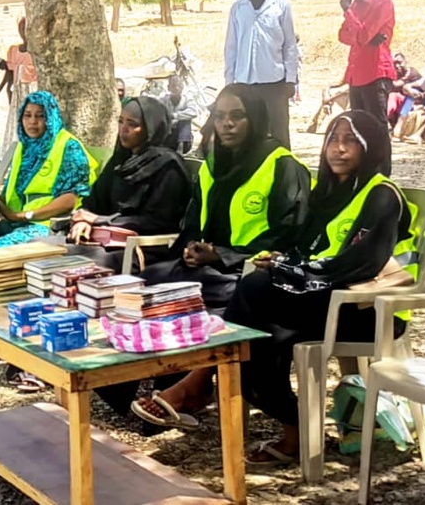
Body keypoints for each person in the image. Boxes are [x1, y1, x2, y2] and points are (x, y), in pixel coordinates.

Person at [132, 111, 416, 467]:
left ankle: (209, 386)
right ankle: (277, 418)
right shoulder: (328, 192)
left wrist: (293, 271)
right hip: (323, 300)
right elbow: (305, 249)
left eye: (350, 141)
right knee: (258, 324)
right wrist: (284, 261)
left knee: (256, 299)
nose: (338, 149)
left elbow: (363, 263)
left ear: (371, 147)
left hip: (368, 311)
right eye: (333, 139)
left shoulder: (382, 196)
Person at [94, 85, 311, 417]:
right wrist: (192, 249)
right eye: (220, 116)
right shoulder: (214, 164)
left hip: (249, 272)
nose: (227, 124)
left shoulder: (281, 166)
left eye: (237, 116)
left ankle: (185, 391)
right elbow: (194, 222)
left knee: (189, 298)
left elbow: (288, 237)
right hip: (208, 267)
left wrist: (221, 255)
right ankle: (121, 385)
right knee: (144, 286)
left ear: (255, 118)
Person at [0, 91, 94, 252]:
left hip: (48, 226)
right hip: (16, 222)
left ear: (51, 118)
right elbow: (12, 191)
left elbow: (69, 201)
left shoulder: (69, 147)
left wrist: (24, 215)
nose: (32, 122)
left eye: (40, 116)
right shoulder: (24, 146)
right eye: (27, 115)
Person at [65, 97, 191, 271]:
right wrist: (83, 222)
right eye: (121, 121)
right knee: (47, 247)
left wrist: (101, 221)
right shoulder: (120, 160)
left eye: (132, 124)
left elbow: (157, 222)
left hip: (144, 248)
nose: (123, 129)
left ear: (151, 128)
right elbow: (94, 202)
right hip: (103, 239)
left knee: (81, 260)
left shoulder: (168, 166)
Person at [224, 0, 298, 148]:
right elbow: (231, 47)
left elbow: (290, 44)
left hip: (275, 83)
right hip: (244, 83)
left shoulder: (281, 5)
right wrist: (230, 83)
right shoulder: (238, 8)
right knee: (248, 134)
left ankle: (283, 166)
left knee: (279, 134)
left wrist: (291, 80)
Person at [337, 0, 396, 124]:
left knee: (376, 125)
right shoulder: (356, 3)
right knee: (359, 125)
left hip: (375, 73)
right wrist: (365, 40)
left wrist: (347, 11)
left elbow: (362, 36)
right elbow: (342, 35)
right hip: (356, 75)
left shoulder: (382, 2)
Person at [2, 17, 38, 151]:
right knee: (18, 119)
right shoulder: (13, 50)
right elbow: (10, 73)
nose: (25, 32)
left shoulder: (36, 52)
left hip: (32, 90)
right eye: (22, 28)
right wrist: (7, 89)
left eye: (28, 28)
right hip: (18, 91)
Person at [163, 75, 199, 153]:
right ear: (168, 88)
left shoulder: (187, 99)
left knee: (185, 121)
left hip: (184, 140)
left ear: (182, 87)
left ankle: (180, 148)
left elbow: (194, 112)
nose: (176, 88)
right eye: (173, 86)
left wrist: (175, 116)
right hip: (168, 136)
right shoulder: (164, 100)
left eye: (179, 85)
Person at [386, 52, 422, 127]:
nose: (397, 66)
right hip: (401, 105)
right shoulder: (395, 74)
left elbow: (396, 85)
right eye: (394, 63)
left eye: (399, 63)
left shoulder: (411, 72)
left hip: (413, 103)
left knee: (393, 96)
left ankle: (383, 119)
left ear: (405, 62)